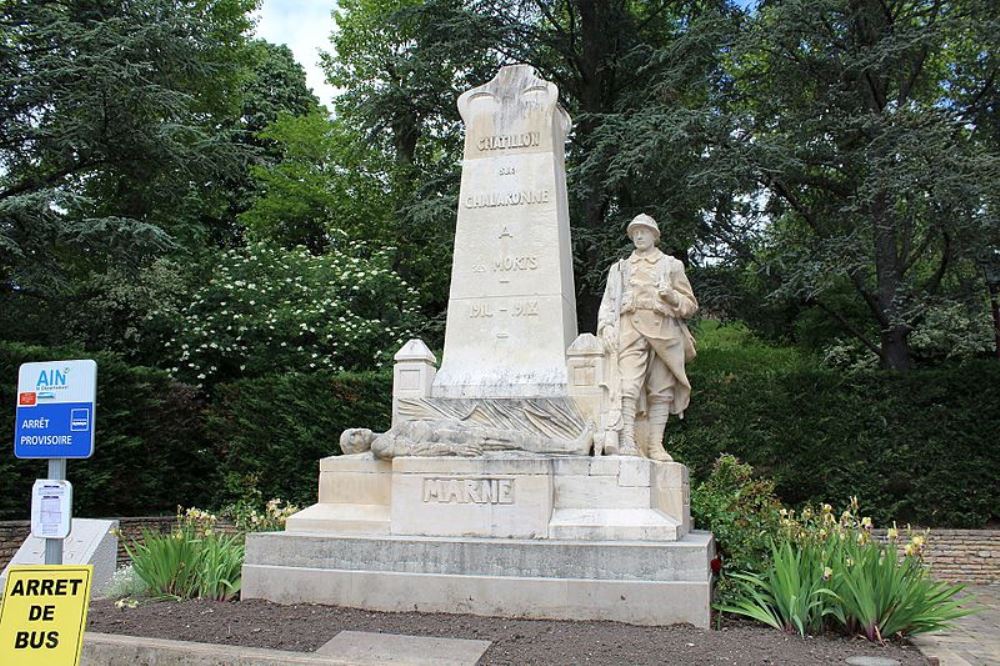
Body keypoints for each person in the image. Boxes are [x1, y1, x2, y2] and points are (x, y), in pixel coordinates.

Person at [597, 213, 697, 461]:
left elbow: (690, 305)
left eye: (644, 231)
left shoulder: (672, 265)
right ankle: (628, 439)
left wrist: (672, 297)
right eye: (635, 232)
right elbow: (608, 304)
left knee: (661, 391)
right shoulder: (620, 268)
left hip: (664, 332)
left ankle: (655, 446)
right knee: (628, 384)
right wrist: (606, 327)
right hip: (630, 329)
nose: (639, 236)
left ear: (654, 235)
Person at [339, 421, 592, 460]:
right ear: (356, 448)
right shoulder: (380, 445)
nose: (358, 431)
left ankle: (571, 445)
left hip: (460, 430)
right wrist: (456, 449)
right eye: (353, 437)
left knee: (517, 437)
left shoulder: (387, 433)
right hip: (462, 440)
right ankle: (572, 447)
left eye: (353, 429)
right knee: (517, 440)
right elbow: (418, 450)